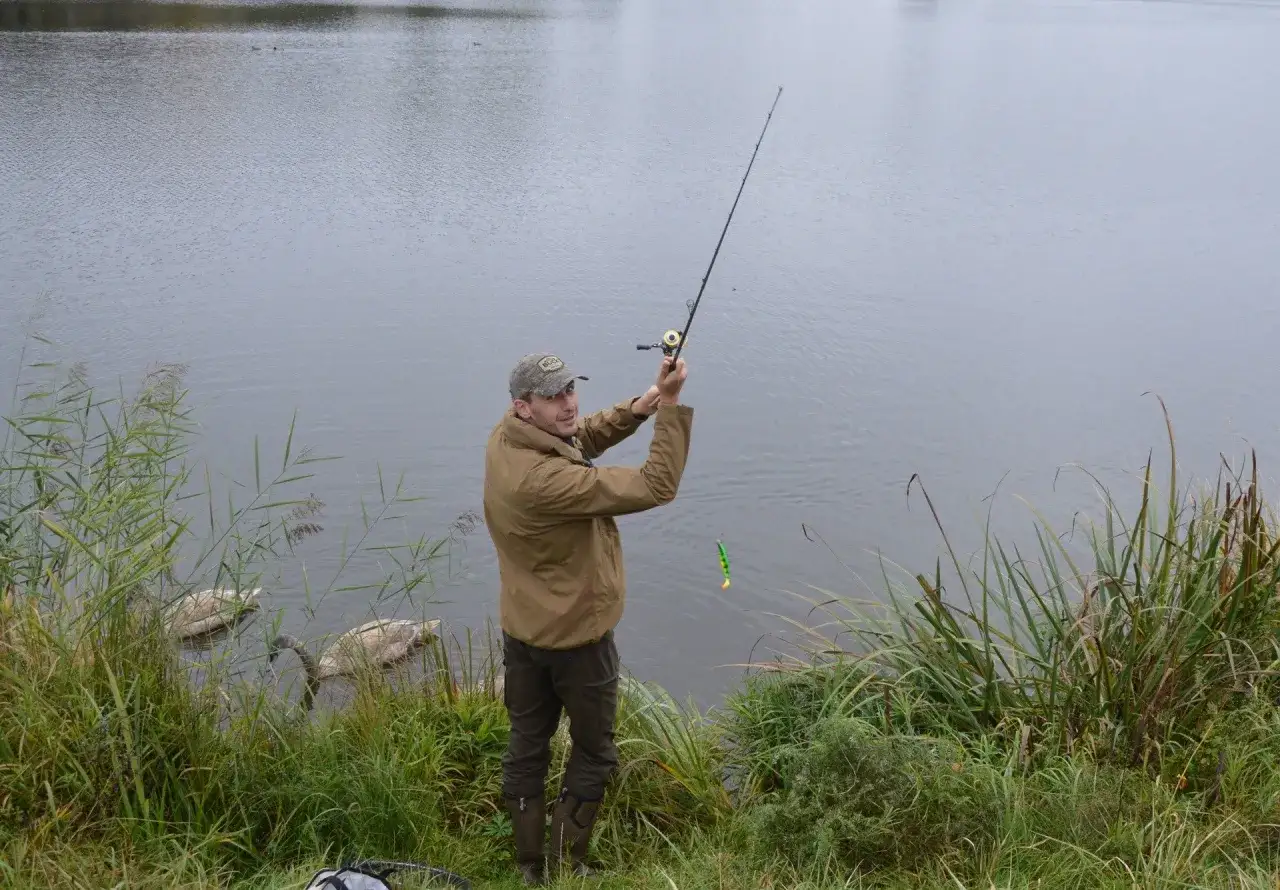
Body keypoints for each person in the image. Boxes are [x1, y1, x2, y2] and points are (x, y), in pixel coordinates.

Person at [482, 350, 693, 884]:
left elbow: (577, 439)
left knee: (527, 741)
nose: (569, 403)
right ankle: (561, 863)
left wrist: (641, 404)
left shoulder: (506, 439)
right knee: (595, 750)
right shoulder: (543, 483)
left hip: (524, 630)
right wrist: (670, 405)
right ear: (523, 406)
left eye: (571, 389)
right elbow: (655, 486)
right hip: (577, 639)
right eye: (553, 397)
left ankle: (529, 863)